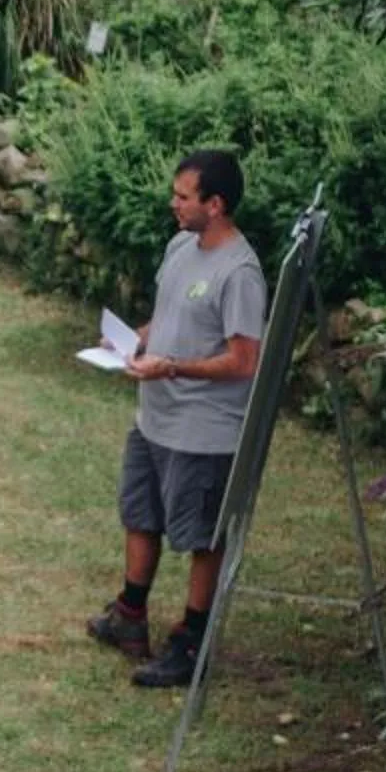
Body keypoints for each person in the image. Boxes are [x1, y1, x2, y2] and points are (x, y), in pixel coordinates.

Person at [87, 149, 269, 691]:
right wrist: (135, 338)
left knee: (199, 536)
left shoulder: (241, 273)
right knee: (140, 512)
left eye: (183, 196)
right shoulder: (180, 246)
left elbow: (244, 360)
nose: (174, 203)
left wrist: (173, 367)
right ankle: (130, 617)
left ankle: (189, 644)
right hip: (154, 418)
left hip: (204, 431)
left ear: (216, 204)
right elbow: (170, 315)